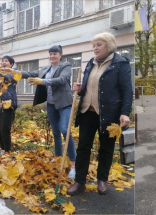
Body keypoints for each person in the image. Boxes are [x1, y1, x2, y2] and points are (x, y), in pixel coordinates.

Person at [67, 33, 132, 195]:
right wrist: (80, 89)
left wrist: (125, 113)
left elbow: (127, 91)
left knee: (106, 148)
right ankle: (79, 181)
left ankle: (102, 180)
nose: (95, 48)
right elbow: (89, 87)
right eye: (93, 45)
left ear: (109, 45)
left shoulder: (120, 64)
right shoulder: (91, 63)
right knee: (83, 148)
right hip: (87, 112)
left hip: (109, 114)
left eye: (99, 45)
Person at [21, 45, 76, 178]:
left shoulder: (65, 66)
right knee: (56, 133)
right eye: (50, 54)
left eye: (55, 54)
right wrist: (13, 72)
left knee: (65, 131)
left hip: (64, 104)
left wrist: (43, 81)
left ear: (60, 55)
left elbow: (62, 80)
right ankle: (59, 159)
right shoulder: (46, 68)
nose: (52, 56)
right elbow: (30, 74)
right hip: (51, 105)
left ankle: (74, 165)